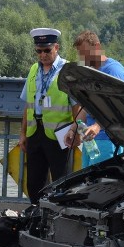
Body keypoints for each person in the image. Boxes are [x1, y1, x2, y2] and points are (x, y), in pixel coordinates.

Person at [18, 28, 79, 204]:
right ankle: (38, 220)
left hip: (61, 134)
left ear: (56, 47)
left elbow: (78, 106)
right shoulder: (33, 70)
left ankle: (59, 220)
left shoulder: (68, 70)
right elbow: (27, 106)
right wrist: (22, 133)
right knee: (34, 183)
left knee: (62, 182)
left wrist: (77, 131)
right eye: (39, 51)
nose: (42, 55)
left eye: (47, 50)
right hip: (34, 133)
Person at [68, 30, 124, 167]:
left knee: (104, 184)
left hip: (108, 139)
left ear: (97, 46)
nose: (82, 58)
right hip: (90, 141)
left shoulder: (113, 70)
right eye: (80, 54)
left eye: (85, 53)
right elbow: (86, 106)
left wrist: (97, 126)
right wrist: (73, 129)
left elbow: (117, 105)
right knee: (87, 184)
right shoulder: (89, 73)